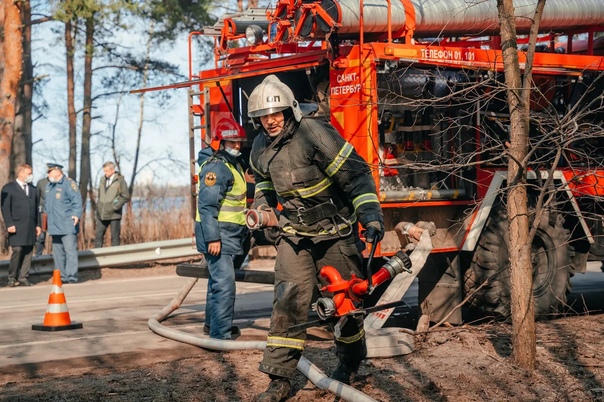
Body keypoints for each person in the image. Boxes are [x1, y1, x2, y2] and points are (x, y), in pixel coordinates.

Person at [247, 75, 385, 401]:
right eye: (264, 117)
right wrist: (263, 209)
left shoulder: (313, 133)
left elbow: (356, 174)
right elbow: (265, 186)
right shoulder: (259, 148)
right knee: (288, 302)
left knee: (344, 305)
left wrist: (370, 216)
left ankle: (350, 364)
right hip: (294, 235)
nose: (270, 121)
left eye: (276, 114)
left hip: (335, 232)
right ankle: (279, 380)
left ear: (289, 110)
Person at [195, 117, 250, 340]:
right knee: (225, 285)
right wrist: (213, 239)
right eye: (232, 142)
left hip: (230, 234)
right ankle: (220, 335)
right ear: (220, 143)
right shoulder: (217, 168)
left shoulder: (231, 165)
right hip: (219, 236)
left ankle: (213, 325)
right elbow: (207, 206)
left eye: (239, 142)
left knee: (217, 283)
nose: (237, 146)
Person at [1, 164, 41, 287]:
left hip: (30, 225)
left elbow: (37, 209)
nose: (31, 176)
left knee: (28, 251)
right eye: (29, 173)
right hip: (16, 225)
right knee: (18, 249)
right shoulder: (9, 188)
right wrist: (9, 224)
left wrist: (38, 225)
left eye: (31, 173)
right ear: (21, 173)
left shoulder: (33, 189)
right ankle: (12, 277)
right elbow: (5, 208)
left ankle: (23, 277)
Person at [45, 163, 83, 284]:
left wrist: (76, 215)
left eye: (50, 172)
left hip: (67, 223)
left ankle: (72, 275)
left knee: (70, 250)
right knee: (58, 253)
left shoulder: (69, 183)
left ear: (57, 172)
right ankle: (61, 276)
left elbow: (77, 200)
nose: (48, 175)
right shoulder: (49, 186)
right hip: (54, 224)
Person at [94, 161, 130, 248]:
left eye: (106, 171)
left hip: (114, 214)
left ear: (112, 170)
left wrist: (115, 206)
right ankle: (96, 259)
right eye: (104, 171)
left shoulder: (120, 181)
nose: (105, 173)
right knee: (98, 236)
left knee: (115, 238)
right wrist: (98, 206)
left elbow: (125, 196)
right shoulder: (102, 180)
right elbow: (100, 195)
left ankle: (116, 259)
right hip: (102, 214)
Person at [34, 175, 49, 256]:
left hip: (55, 214)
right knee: (41, 237)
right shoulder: (41, 183)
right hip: (43, 214)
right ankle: (38, 257)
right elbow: (36, 199)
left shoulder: (60, 182)